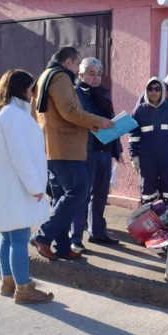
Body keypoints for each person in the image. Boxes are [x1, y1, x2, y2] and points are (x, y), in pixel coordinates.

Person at [30, 47, 112, 261]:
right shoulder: (61, 77)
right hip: (66, 147)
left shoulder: (44, 76)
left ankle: (63, 247)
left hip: (51, 146)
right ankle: (43, 236)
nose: (77, 70)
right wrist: (98, 121)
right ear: (68, 62)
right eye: (77, 65)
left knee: (60, 197)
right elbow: (69, 111)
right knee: (78, 192)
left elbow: (34, 112)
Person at [0, 69, 54, 304]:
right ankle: (23, 288)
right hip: (16, 186)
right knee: (20, 236)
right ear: (23, 89)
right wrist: (35, 186)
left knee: (7, 234)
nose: (34, 93)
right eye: (32, 88)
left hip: (5, 186)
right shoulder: (13, 115)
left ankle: (9, 281)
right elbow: (20, 155)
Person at [69, 57, 121, 253]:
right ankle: (75, 238)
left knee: (100, 196)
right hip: (86, 151)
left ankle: (97, 233)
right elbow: (80, 119)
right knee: (81, 196)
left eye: (99, 74)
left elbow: (110, 121)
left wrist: (117, 149)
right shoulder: (76, 94)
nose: (96, 77)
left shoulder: (104, 94)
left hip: (104, 151)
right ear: (80, 74)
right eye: (91, 73)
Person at [129, 77, 168, 211]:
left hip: (167, 157)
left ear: (162, 91)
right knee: (148, 192)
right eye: (150, 89)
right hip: (147, 158)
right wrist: (134, 155)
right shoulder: (139, 111)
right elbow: (133, 136)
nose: (154, 92)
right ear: (146, 91)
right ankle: (149, 223)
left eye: (157, 89)